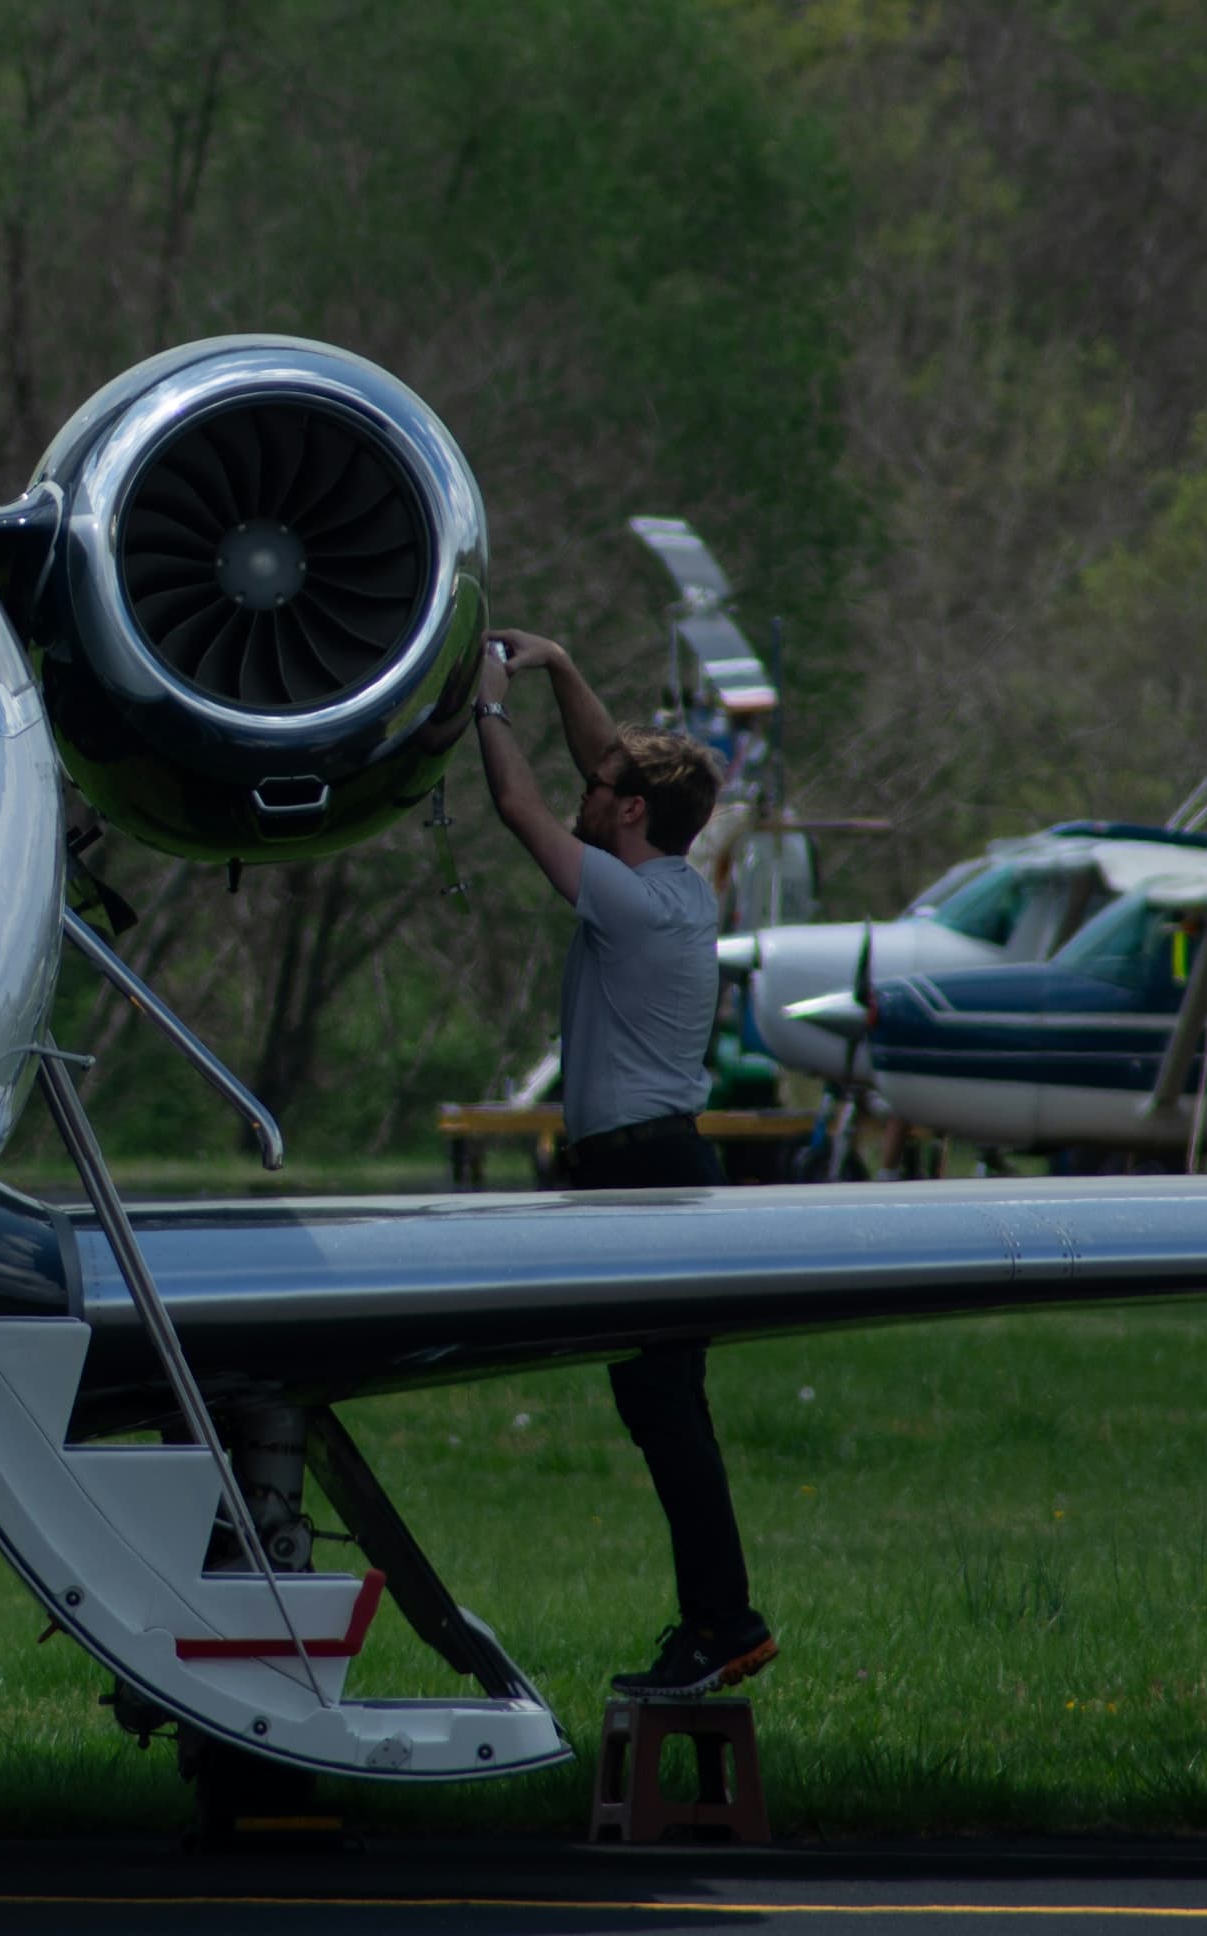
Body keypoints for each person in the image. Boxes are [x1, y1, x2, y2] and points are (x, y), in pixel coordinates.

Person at [471, 627, 777, 1701]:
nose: (584, 792)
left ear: (630, 815)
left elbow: (519, 812)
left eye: (600, 791)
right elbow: (614, 766)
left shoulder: (630, 900)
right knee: (664, 1406)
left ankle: (725, 1621)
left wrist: (491, 703)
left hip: (638, 1169)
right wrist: (558, 665)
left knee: (665, 1411)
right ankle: (717, 1619)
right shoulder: (679, 882)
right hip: (657, 1161)